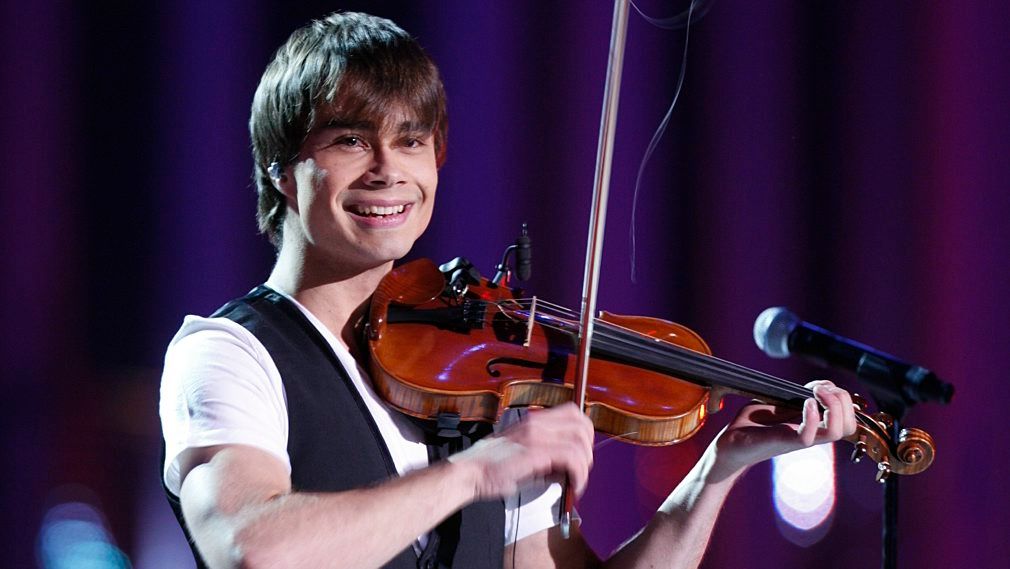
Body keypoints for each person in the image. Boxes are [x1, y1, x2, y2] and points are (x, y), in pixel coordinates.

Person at [159, 11, 858, 569]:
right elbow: (251, 549)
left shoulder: (480, 389)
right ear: (283, 170)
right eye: (351, 141)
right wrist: (473, 473)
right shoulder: (230, 353)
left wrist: (718, 470)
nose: (388, 170)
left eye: (411, 141)